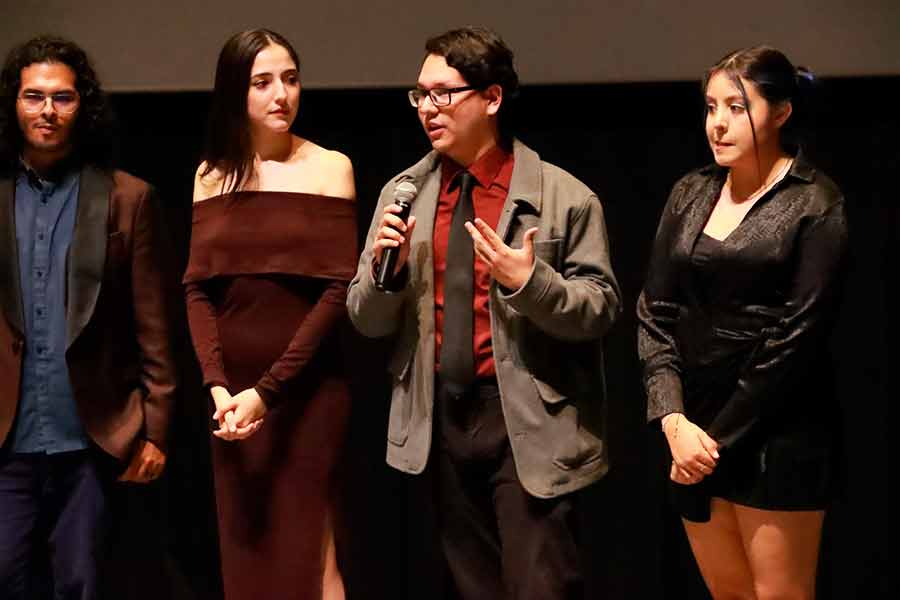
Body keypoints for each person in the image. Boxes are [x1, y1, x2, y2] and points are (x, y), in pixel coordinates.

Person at [347, 26, 620, 600]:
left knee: (539, 586)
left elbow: (600, 310)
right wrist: (385, 274)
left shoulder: (563, 197)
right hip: (441, 421)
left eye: (444, 93)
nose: (428, 109)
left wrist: (532, 283)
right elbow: (365, 320)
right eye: (420, 94)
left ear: (491, 99)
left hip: (525, 419)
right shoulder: (404, 194)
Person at [638, 46, 848, 600]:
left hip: (775, 431)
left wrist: (713, 439)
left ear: (779, 112)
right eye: (711, 107)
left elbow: (797, 339)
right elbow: (654, 312)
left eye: (737, 106)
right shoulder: (690, 190)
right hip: (691, 430)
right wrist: (672, 418)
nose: (719, 123)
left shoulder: (815, 202)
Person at [0, 36, 176, 599]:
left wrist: (156, 429)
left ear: (83, 106)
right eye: (33, 96)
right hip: (6, 436)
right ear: (14, 104)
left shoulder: (129, 198)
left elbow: (154, 325)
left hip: (94, 436)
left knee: (82, 584)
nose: (47, 111)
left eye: (62, 98)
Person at [183, 29, 357, 600]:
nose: (281, 94)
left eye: (290, 78)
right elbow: (197, 290)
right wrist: (218, 388)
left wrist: (268, 390)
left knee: (316, 559)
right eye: (262, 83)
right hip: (233, 404)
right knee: (249, 557)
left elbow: (338, 291)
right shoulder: (210, 175)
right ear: (237, 93)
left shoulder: (332, 167)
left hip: (307, 394)